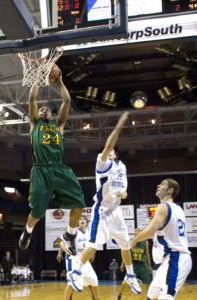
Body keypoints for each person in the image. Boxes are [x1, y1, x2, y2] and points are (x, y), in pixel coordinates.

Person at [68, 111, 141, 295]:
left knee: (125, 244)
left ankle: (131, 276)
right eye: (106, 150)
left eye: (110, 151)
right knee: (94, 244)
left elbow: (124, 189)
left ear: (115, 154)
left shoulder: (121, 166)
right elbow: (109, 143)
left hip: (116, 210)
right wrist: (118, 127)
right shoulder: (101, 164)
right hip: (102, 210)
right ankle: (76, 272)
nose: (108, 151)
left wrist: (124, 194)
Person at [19, 72, 86, 255]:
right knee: (38, 212)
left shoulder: (59, 126)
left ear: (51, 113)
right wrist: (37, 81)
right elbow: (32, 98)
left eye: (46, 109)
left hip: (59, 168)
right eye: (41, 110)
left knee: (79, 203)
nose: (43, 110)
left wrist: (61, 82)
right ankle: (28, 231)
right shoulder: (34, 124)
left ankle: (70, 235)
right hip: (41, 170)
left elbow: (66, 101)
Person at [130, 179, 192, 300]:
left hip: (176, 258)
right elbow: (158, 231)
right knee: (151, 295)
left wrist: (134, 240)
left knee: (165, 297)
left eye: (163, 183)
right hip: (168, 260)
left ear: (170, 190)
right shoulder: (178, 209)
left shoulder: (164, 207)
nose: (158, 185)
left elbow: (150, 231)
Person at [61, 215, 99, 300]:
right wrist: (66, 251)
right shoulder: (74, 231)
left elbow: (93, 246)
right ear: (78, 222)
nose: (82, 220)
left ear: (86, 222)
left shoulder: (90, 233)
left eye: (84, 219)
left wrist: (92, 255)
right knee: (71, 282)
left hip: (84, 260)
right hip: (73, 259)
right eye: (80, 219)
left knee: (94, 280)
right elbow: (62, 243)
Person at [117, 228, 152, 300]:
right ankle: (119, 294)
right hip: (133, 263)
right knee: (126, 279)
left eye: (139, 230)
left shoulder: (145, 242)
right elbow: (126, 254)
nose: (137, 232)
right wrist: (122, 264)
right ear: (134, 233)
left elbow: (147, 254)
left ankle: (149, 296)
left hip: (143, 263)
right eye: (136, 231)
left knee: (148, 280)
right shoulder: (131, 241)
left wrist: (149, 266)